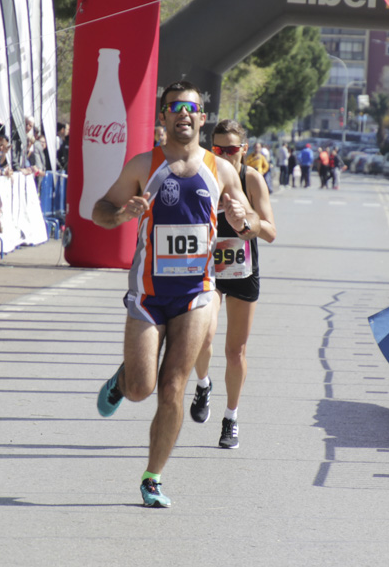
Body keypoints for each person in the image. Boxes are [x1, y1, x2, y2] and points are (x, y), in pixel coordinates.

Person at [92, 81, 258, 508]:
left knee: (173, 387)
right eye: (175, 107)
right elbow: (99, 210)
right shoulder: (143, 165)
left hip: (197, 294)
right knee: (141, 388)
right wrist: (122, 214)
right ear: (162, 117)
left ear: (202, 118)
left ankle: (153, 477)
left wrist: (243, 219)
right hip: (148, 295)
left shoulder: (220, 170)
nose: (184, 114)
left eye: (193, 108)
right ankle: (124, 378)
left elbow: (248, 224)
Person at [189, 120, 276, 448]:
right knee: (203, 335)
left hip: (242, 270)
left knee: (235, 350)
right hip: (208, 267)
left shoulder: (251, 179)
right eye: (218, 149)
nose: (225, 155)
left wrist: (246, 219)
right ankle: (202, 384)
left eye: (231, 149)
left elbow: (270, 231)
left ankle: (231, 417)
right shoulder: (202, 174)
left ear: (244, 148)